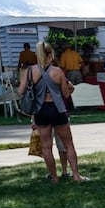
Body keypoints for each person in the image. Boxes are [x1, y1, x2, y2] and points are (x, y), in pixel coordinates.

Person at [19, 40, 87, 184]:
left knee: (46, 146)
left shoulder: (30, 71)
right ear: (51, 55)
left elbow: (21, 91)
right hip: (57, 109)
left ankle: (54, 177)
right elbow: (66, 94)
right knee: (68, 144)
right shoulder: (57, 71)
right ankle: (76, 175)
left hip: (40, 110)